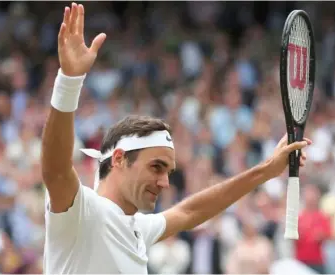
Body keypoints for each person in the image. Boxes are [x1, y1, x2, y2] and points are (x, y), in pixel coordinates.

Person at [41, 3, 311, 274]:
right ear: (120, 159)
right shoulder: (81, 212)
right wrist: (69, 80)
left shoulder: (139, 228)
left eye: (169, 171)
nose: (165, 182)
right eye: (156, 167)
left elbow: (191, 212)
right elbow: (56, 170)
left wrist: (267, 170)